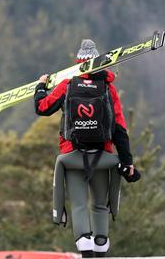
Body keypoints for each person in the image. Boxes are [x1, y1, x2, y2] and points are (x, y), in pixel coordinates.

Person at [34, 39, 140, 257]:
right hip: (103, 157)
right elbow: (120, 129)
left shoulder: (68, 85)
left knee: (79, 206)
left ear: (79, 64)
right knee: (100, 205)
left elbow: (42, 108)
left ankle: (85, 249)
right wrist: (127, 161)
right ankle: (101, 247)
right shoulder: (109, 90)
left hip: (72, 156)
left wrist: (40, 87)